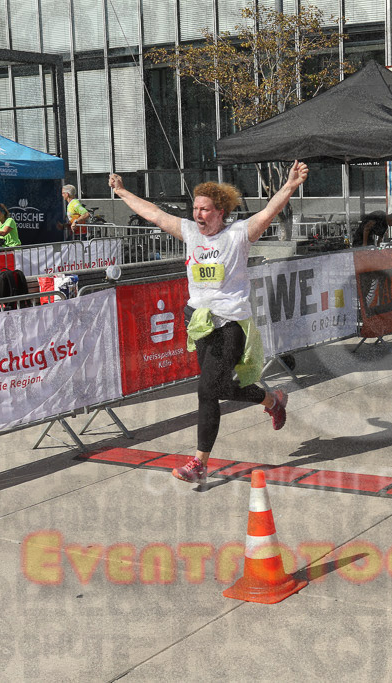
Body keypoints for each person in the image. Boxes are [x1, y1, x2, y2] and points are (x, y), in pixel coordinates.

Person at [107, 162, 309, 484]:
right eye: (195, 208)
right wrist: (121, 191)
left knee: (206, 389)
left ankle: (199, 463)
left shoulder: (239, 235)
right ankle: (272, 400)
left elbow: (269, 212)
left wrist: (290, 185)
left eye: (204, 209)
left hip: (230, 324)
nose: (197, 214)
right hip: (198, 322)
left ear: (221, 211)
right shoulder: (189, 232)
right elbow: (154, 214)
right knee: (215, 388)